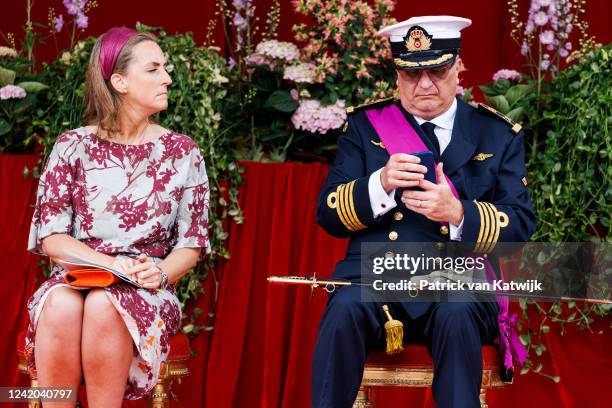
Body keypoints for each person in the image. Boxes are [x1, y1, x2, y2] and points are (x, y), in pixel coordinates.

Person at [312, 16, 536, 408]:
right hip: (377, 278)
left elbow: (520, 225)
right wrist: (379, 183)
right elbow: (329, 215)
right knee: (344, 308)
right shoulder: (367, 127)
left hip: (459, 283)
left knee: (457, 311)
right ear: (396, 74)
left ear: (458, 68)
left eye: (437, 70)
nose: (426, 85)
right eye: (412, 74)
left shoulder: (496, 134)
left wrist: (458, 213)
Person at [25, 27, 210, 407]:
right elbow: (53, 239)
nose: (167, 78)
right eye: (154, 69)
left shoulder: (183, 152)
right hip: (80, 275)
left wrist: (158, 273)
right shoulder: (71, 146)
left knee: (104, 305)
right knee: (61, 303)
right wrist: (113, 265)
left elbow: (191, 244)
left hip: (148, 288)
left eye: (166, 68)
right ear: (120, 81)